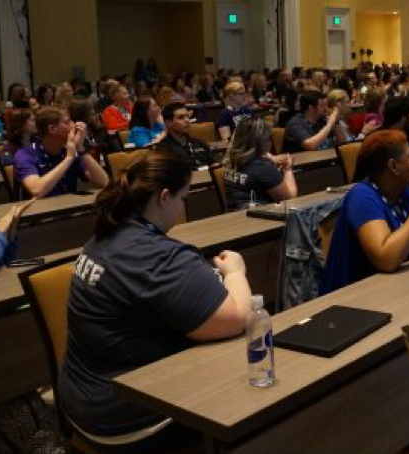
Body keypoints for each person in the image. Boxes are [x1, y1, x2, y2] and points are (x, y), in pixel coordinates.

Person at [58, 151, 253, 453]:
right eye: (182, 198)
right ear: (164, 197)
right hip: (127, 419)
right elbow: (237, 317)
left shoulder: (105, 234)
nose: (182, 207)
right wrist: (235, 272)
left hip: (80, 402)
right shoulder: (156, 256)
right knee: (251, 399)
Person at [320, 130, 409, 295]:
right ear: (393, 166)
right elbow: (386, 259)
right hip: (353, 298)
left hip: (400, 289)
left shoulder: (406, 191)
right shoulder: (362, 197)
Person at [14, 108, 110, 198]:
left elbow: (104, 182)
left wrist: (80, 148)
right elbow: (37, 190)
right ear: (52, 129)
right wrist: (68, 159)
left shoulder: (70, 151)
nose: (74, 125)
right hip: (41, 209)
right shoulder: (25, 155)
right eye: (67, 122)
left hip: (68, 207)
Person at [222, 117, 297, 211]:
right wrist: (288, 169)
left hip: (234, 215)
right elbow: (289, 198)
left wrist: (271, 159)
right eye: (270, 138)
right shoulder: (263, 168)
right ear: (263, 141)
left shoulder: (229, 161)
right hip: (258, 216)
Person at [281, 91, 347, 153]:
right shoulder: (295, 124)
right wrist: (329, 124)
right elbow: (311, 145)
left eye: (325, 105)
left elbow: (343, 143)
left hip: (324, 157)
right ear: (311, 108)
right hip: (302, 160)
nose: (325, 108)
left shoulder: (323, 120)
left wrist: (336, 122)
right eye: (322, 105)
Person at [156, 103, 214, 170]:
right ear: (169, 123)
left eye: (187, 116)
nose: (187, 120)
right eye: (181, 117)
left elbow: (214, 165)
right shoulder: (163, 150)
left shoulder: (200, 143)